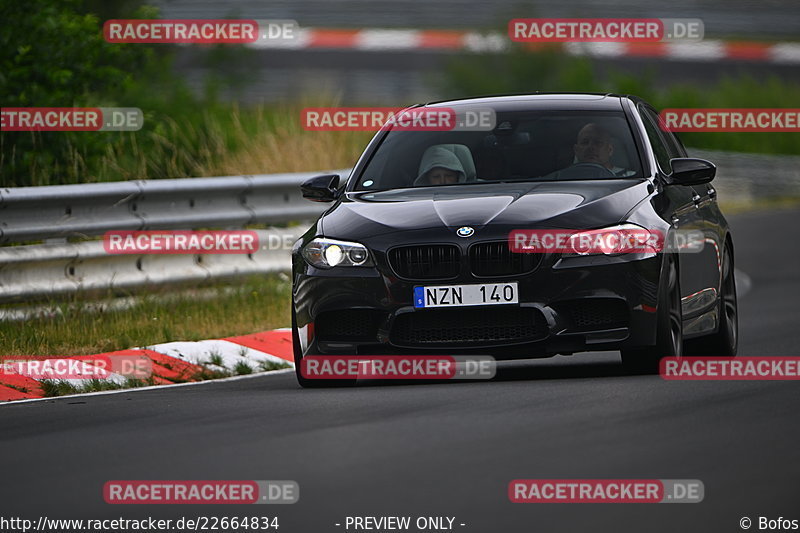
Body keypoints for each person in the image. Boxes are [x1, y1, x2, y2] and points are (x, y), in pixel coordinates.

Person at [571, 123, 636, 177]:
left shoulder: (630, 177)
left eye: (598, 143)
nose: (590, 147)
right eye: (585, 142)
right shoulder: (562, 177)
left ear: (610, 150)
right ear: (576, 150)